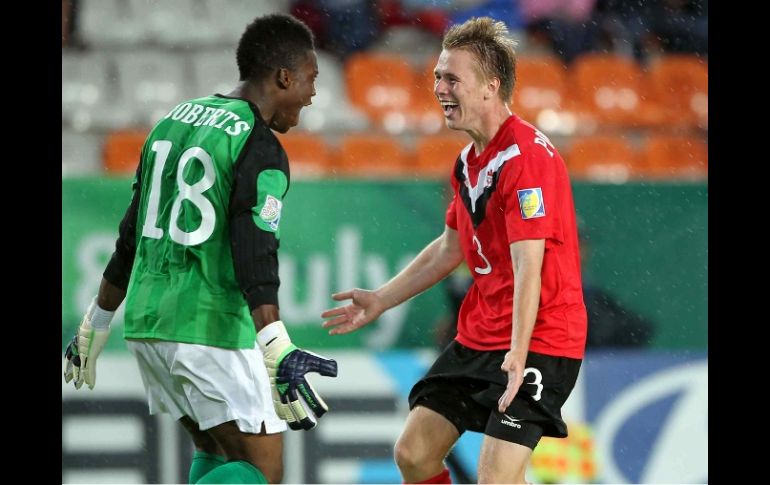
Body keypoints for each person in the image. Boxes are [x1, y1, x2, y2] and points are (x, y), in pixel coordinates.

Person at [63, 13, 338, 485]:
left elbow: (130, 235)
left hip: (149, 324)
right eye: (311, 79)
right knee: (261, 470)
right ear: (284, 76)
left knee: (216, 449)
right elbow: (255, 251)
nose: (313, 93)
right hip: (208, 327)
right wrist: (274, 345)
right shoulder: (259, 144)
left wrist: (96, 323)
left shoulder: (172, 121)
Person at [322, 17, 586, 484]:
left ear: (490, 86)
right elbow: (450, 249)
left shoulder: (525, 159)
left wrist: (518, 354)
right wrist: (382, 298)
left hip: (540, 339)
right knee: (414, 453)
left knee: (495, 478)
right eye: (437, 77)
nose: (439, 87)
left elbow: (531, 265)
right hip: (481, 335)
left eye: (451, 78)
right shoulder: (468, 161)